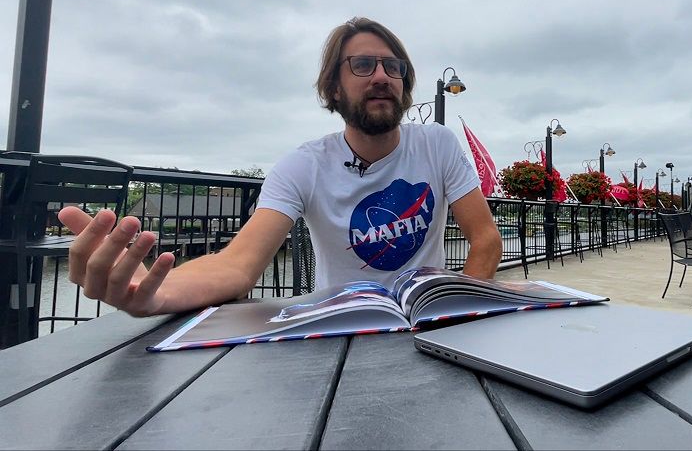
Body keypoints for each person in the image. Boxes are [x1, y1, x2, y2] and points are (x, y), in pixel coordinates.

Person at [58, 17, 503, 317]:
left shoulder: (438, 145)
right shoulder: (303, 166)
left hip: (426, 319)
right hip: (343, 329)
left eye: (394, 66)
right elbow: (237, 265)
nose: (382, 75)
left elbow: (485, 242)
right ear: (333, 87)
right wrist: (158, 292)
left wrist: (450, 316)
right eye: (363, 65)